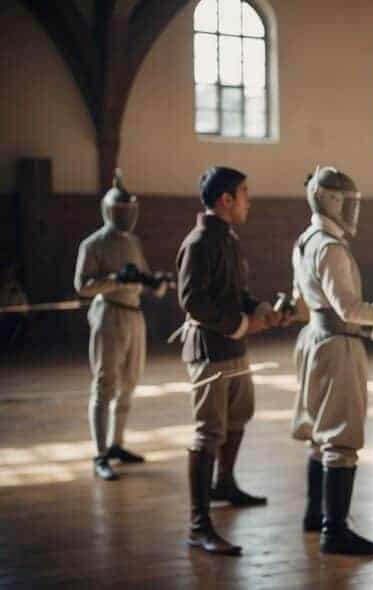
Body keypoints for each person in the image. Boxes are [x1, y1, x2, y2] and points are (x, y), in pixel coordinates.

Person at [290, 165, 373, 555]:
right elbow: (349, 308)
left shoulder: (307, 239)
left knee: (319, 432)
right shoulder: (329, 246)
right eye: (349, 202)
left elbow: (300, 302)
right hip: (336, 344)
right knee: (341, 436)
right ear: (332, 201)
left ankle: (316, 515)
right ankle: (335, 529)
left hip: (313, 339)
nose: (354, 210)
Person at [176, 166, 283, 556]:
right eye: (245, 194)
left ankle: (225, 484)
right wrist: (242, 323)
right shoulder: (200, 241)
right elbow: (193, 301)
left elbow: (235, 291)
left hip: (234, 349)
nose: (248, 201)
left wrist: (263, 309)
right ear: (226, 200)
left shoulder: (228, 238)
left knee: (239, 416)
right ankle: (198, 524)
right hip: (210, 350)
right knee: (209, 431)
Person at [74, 171, 170, 481]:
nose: (126, 216)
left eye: (129, 210)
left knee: (129, 383)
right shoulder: (93, 244)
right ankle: (100, 454)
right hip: (109, 314)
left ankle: (117, 444)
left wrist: (156, 283)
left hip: (134, 314)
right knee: (105, 384)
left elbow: (141, 278)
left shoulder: (133, 242)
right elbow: (82, 286)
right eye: (120, 211)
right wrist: (114, 280)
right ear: (108, 211)